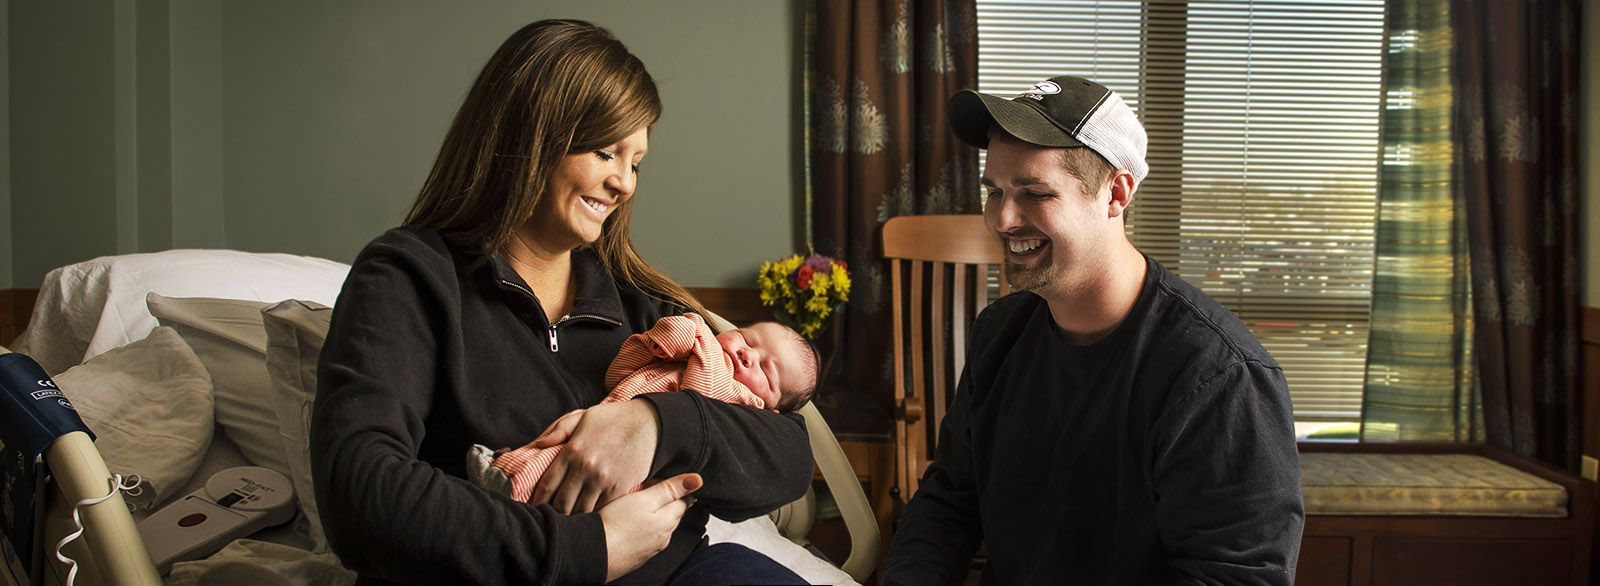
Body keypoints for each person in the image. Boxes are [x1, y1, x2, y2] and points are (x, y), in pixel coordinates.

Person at [311, 20, 813, 586]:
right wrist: (587, 550)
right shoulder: (411, 278)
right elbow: (357, 491)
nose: (624, 183)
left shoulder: (641, 304)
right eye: (606, 152)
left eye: (636, 162)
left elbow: (789, 454)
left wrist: (651, 423)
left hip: (680, 572)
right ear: (528, 136)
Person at [881, 76, 1304, 585]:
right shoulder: (1000, 333)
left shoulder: (1219, 377)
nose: (1002, 219)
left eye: (1035, 193)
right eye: (994, 191)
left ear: (1115, 194)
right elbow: (950, 497)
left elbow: (1234, 576)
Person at [473, 313, 819, 503]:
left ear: (770, 410)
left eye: (765, 370)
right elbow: (619, 373)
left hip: (635, 480)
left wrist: (699, 334)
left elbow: (701, 394)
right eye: (746, 338)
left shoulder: (744, 400)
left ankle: (512, 494)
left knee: (562, 473)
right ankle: (504, 469)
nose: (747, 355)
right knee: (554, 445)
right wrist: (656, 343)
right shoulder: (686, 360)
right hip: (604, 416)